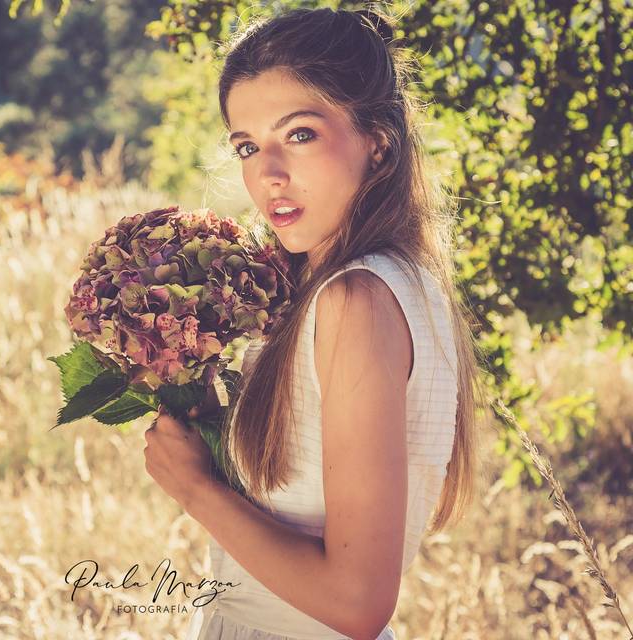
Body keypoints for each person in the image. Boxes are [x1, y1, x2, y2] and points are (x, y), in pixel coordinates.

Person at [143, 6, 485, 640]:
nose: (268, 172)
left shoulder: (356, 299)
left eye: (298, 134)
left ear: (377, 139)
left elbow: (358, 603)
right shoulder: (365, 282)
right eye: (247, 146)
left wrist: (195, 488)